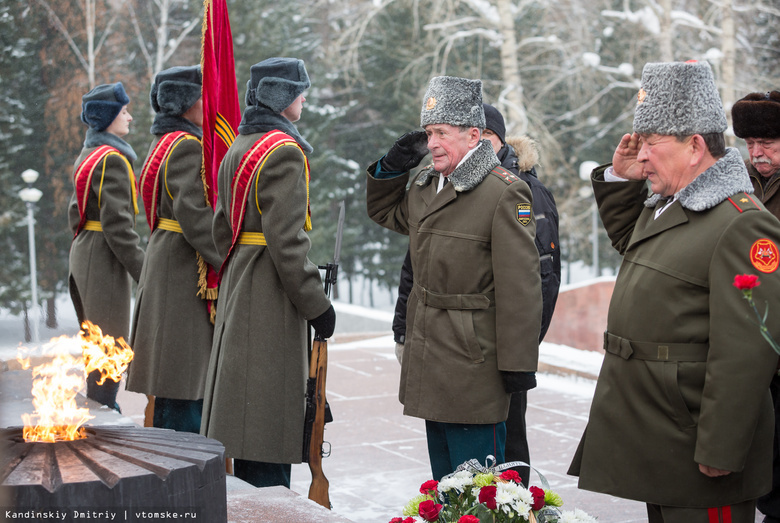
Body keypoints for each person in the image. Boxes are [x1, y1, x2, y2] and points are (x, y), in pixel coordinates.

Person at [568, 61, 780, 523]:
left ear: (695, 146)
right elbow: (641, 252)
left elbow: (748, 349)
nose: (641, 156)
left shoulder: (742, 223)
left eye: (651, 144)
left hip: (697, 438)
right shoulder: (670, 204)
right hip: (661, 430)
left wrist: (722, 445)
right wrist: (623, 182)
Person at [367, 76, 542, 481]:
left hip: (473, 362)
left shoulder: (504, 192)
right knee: (446, 485)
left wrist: (517, 365)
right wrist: (390, 170)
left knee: (479, 490)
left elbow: (522, 287)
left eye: (441, 133)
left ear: (474, 135)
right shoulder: (427, 185)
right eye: (429, 133)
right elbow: (386, 214)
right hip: (431, 356)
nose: (431, 144)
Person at [200, 57, 336, 488]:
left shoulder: (237, 149)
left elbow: (222, 231)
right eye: (299, 91)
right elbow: (288, 242)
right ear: (281, 97)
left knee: (246, 415)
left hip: (241, 281)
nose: (304, 98)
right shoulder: (284, 152)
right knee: (267, 416)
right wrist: (318, 305)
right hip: (269, 291)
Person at [125, 65, 223, 433]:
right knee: (183, 378)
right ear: (188, 103)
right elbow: (194, 215)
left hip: (167, 259)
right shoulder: (187, 145)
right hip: (181, 269)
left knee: (173, 377)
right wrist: (228, 258)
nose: (208, 103)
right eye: (202, 96)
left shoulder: (165, 141)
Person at [68, 82, 145, 411]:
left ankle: (99, 419)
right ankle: (100, 428)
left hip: (86, 252)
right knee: (109, 354)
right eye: (123, 111)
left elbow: (76, 214)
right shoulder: (112, 159)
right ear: (108, 117)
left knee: (98, 352)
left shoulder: (88, 154)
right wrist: (146, 272)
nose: (129, 117)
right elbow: (118, 227)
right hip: (102, 259)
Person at [732, 90, 780, 523]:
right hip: (749, 348)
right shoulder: (739, 186)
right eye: (749, 144)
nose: (757, 153)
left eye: (767, 144)